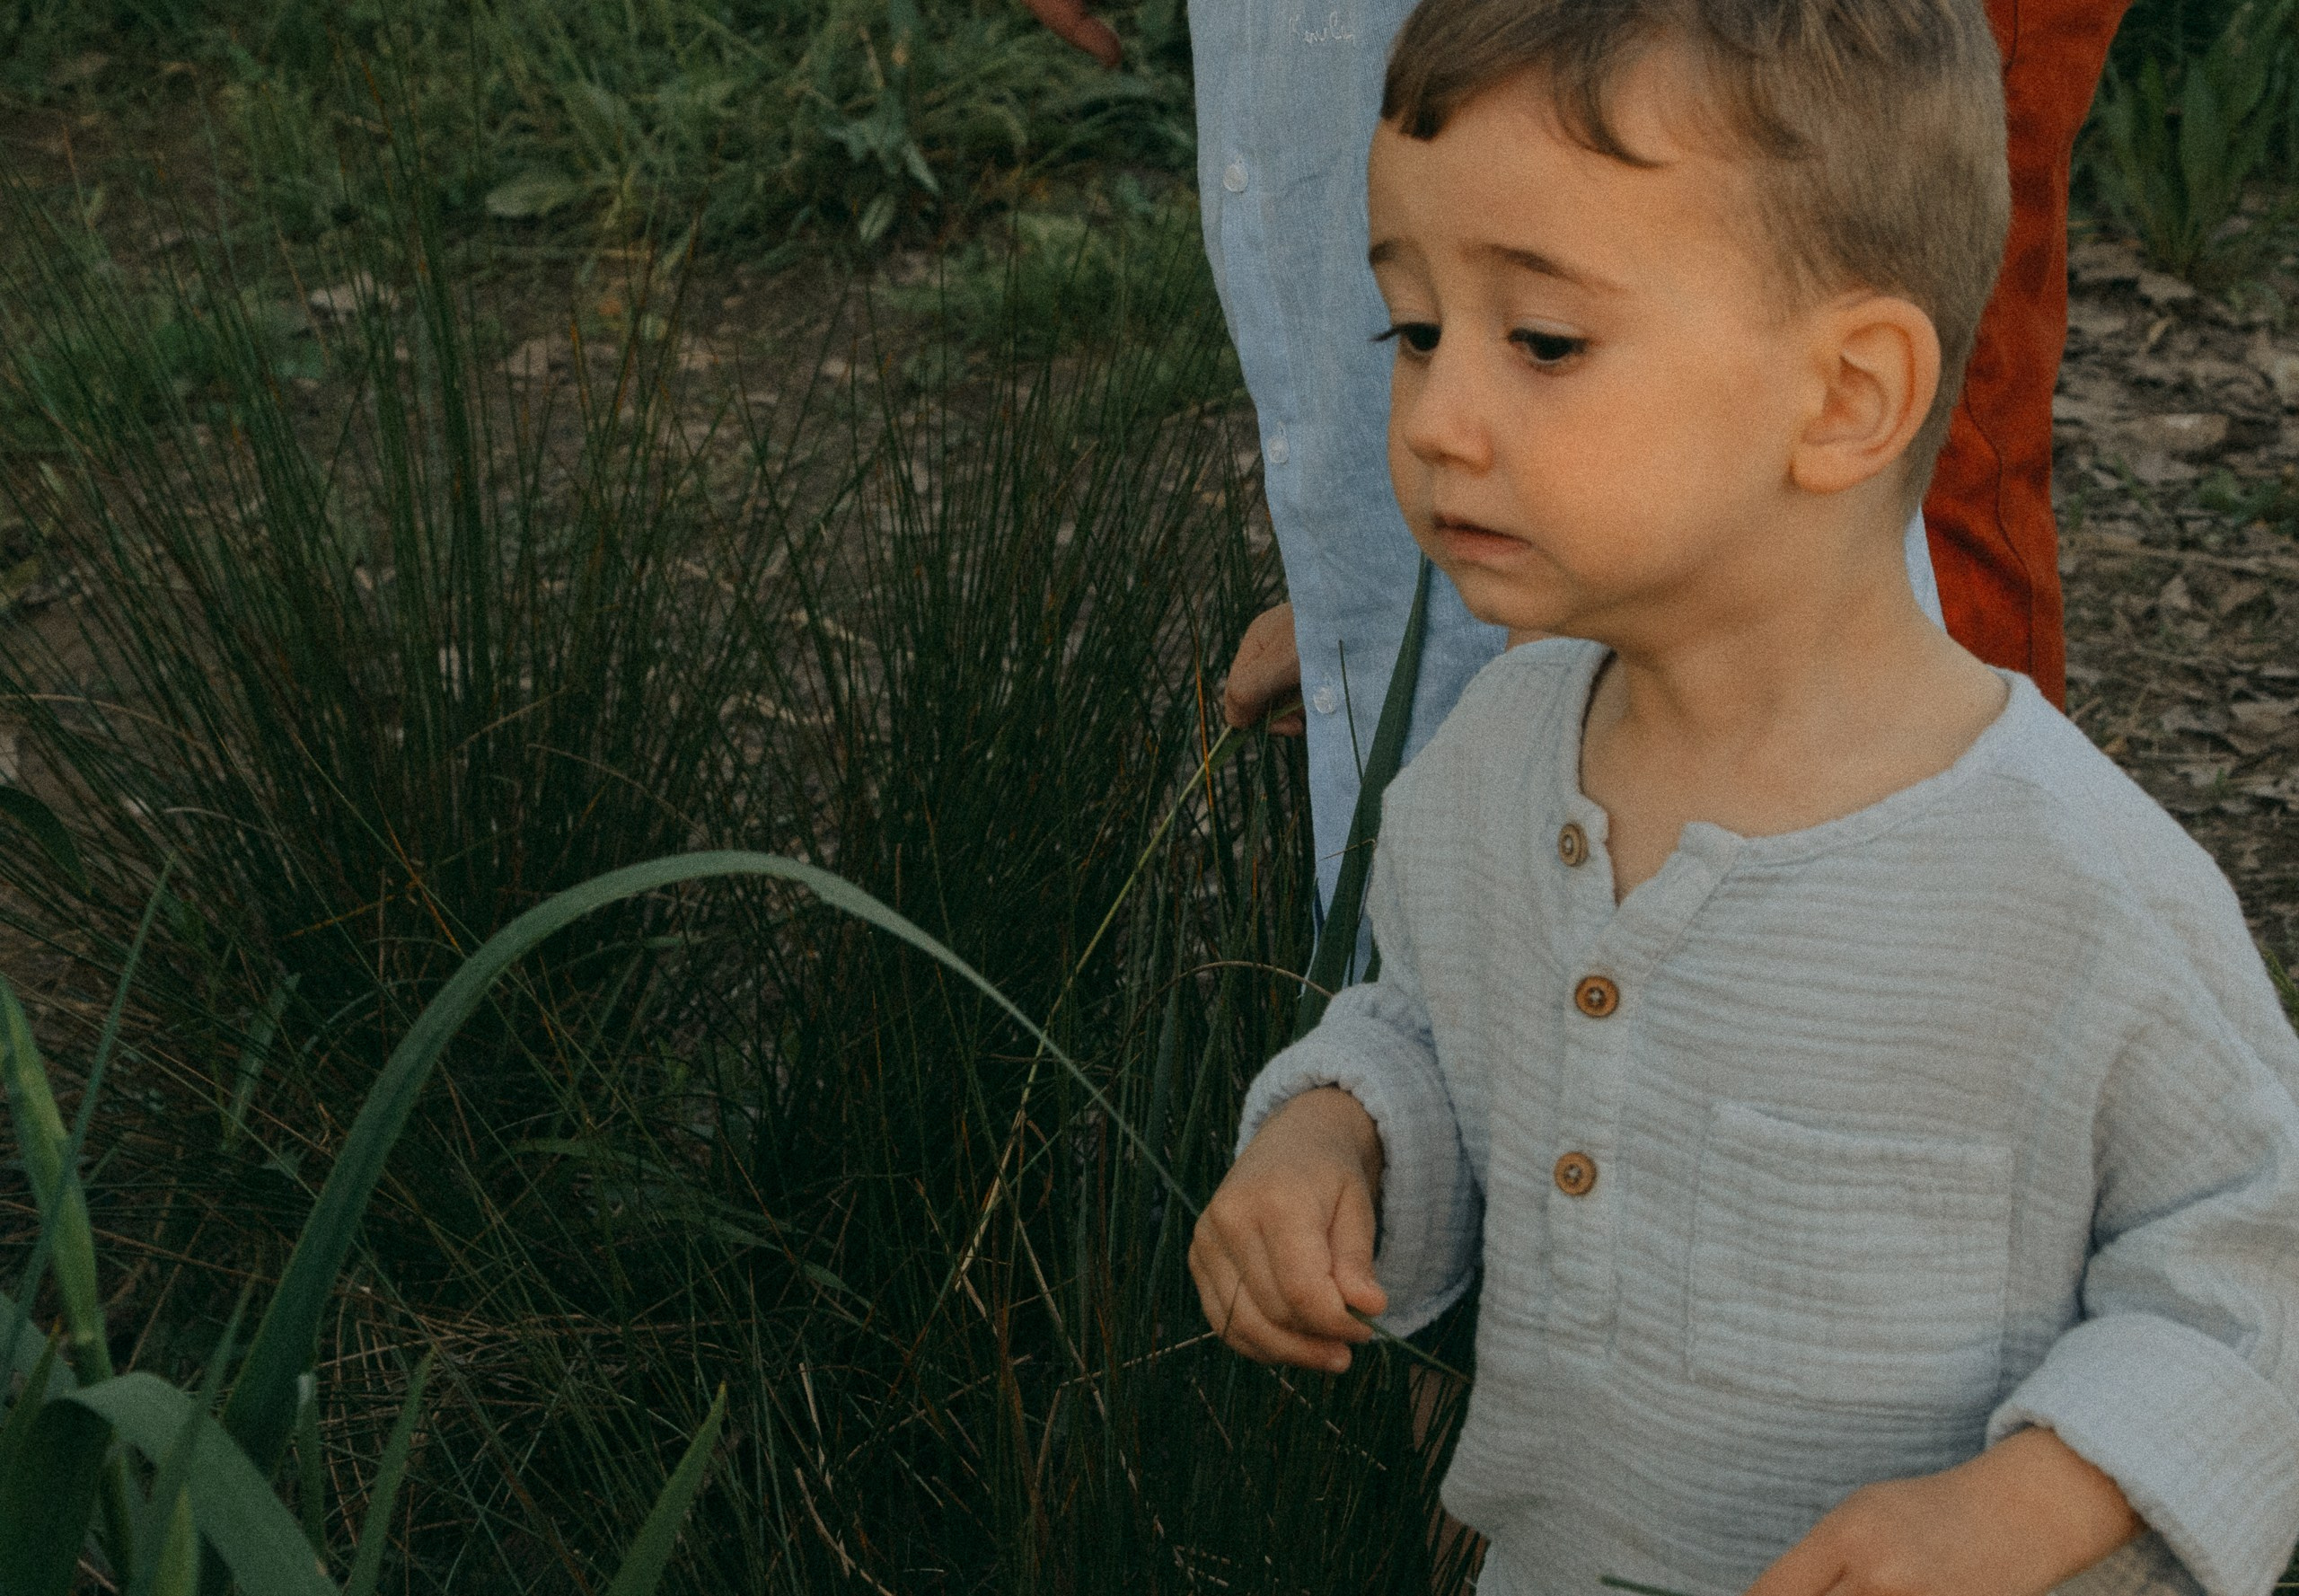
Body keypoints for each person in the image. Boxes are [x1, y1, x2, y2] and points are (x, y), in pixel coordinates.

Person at [1184, 3, 2299, 1594]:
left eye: (1544, 342)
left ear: (1846, 395)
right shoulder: (1500, 759)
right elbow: (1430, 1020)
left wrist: (2028, 1506)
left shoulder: (2064, 882)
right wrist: (1333, 1134)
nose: (1433, 419)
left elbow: (2257, 1262)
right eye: (1415, 330)